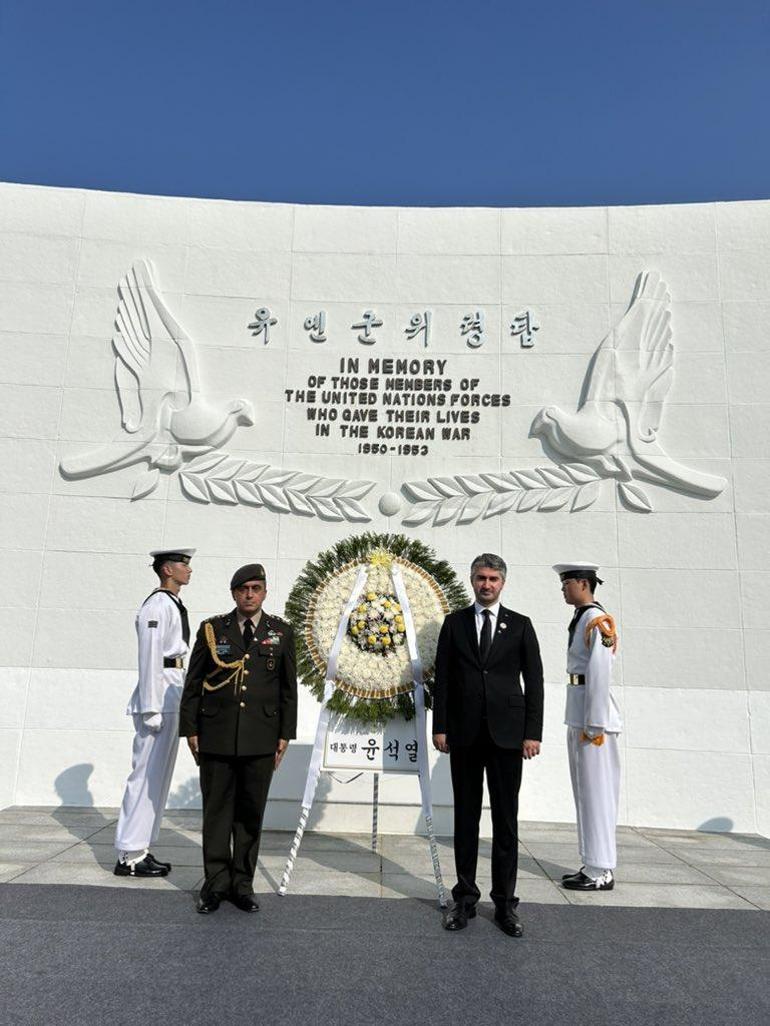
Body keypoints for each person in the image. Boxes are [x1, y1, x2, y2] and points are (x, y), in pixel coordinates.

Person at [432, 553, 544, 938]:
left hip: (508, 737)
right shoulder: (455, 623)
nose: (487, 584)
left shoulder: (521, 626)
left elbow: (535, 682)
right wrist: (440, 726)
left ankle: (504, 903)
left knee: (505, 822)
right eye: (481, 577)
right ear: (472, 580)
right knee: (466, 818)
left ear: (503, 583)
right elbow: (443, 679)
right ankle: (464, 899)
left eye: (493, 578)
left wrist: (533, 732)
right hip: (463, 735)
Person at [180, 563, 297, 914]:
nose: (250, 594)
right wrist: (191, 729)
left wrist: (284, 735)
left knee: (249, 814)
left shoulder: (281, 631)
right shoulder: (213, 629)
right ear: (234, 593)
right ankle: (215, 884)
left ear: (265, 592)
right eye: (243, 588)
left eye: (256, 588)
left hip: (261, 737)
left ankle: (242, 885)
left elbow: (288, 689)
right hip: (215, 735)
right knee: (216, 813)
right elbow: (194, 682)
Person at [114, 548, 194, 878]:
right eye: (183, 565)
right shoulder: (157, 605)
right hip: (157, 700)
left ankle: (140, 848)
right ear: (166, 570)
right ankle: (129, 855)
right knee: (144, 777)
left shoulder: (171, 604)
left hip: (170, 693)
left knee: (156, 780)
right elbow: (149, 656)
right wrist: (150, 706)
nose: (189, 571)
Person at [553, 561, 622, 891]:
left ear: (583, 583)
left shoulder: (597, 620)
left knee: (597, 794)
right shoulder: (583, 617)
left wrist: (594, 723)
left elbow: (600, 672)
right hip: (580, 713)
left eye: (567, 583)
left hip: (593, 721)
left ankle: (601, 871)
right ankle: (593, 863)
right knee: (585, 793)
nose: (564, 589)